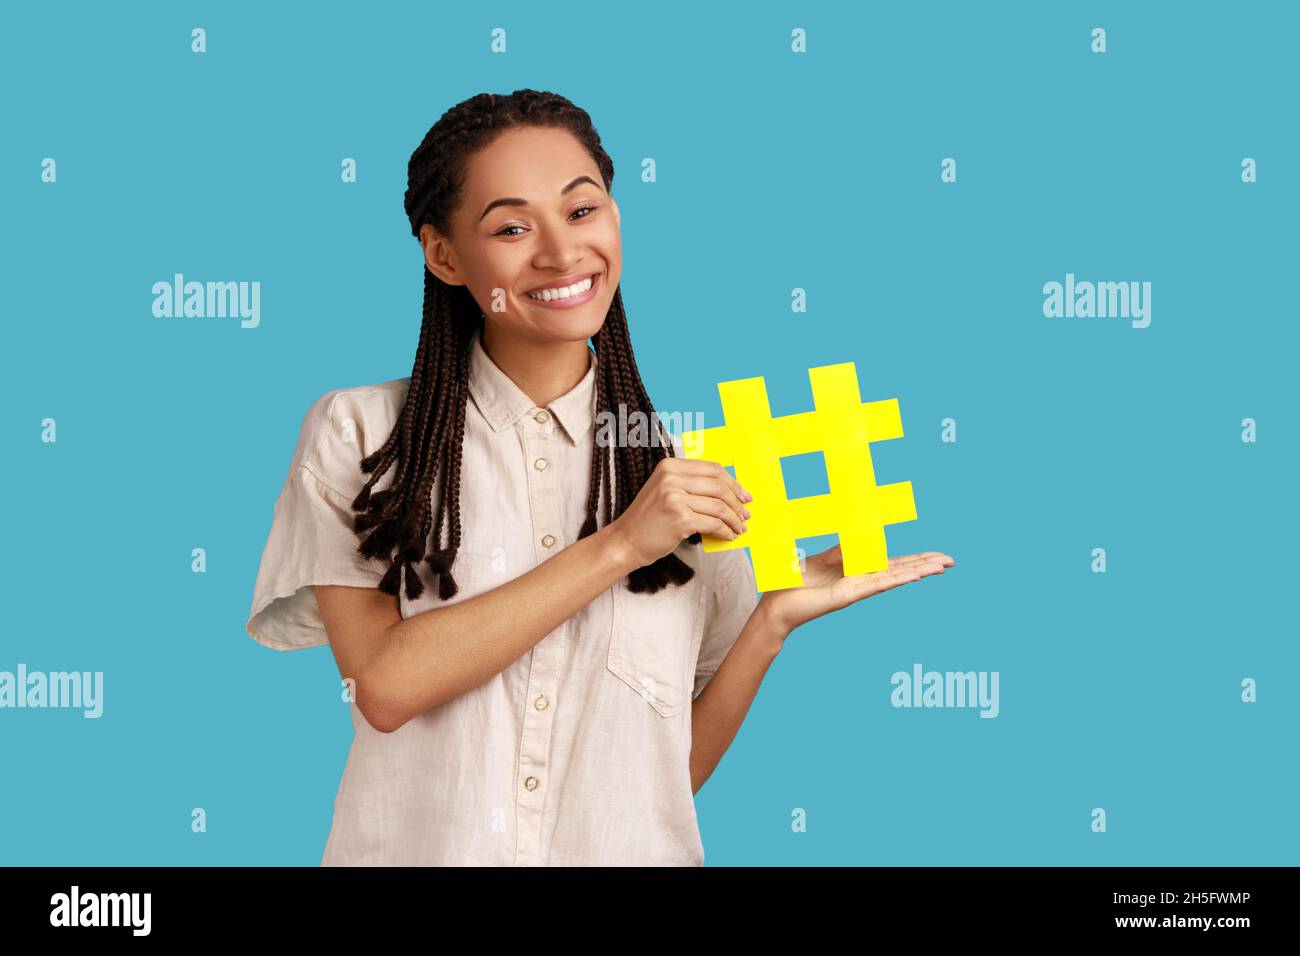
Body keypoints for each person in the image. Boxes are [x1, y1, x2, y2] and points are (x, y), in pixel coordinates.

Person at [245, 89, 954, 866]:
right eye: (512, 227)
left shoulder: (694, 476)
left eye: (582, 211)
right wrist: (619, 545)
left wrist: (771, 623)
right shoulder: (364, 434)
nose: (560, 252)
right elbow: (384, 687)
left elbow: (656, 787)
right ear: (444, 255)